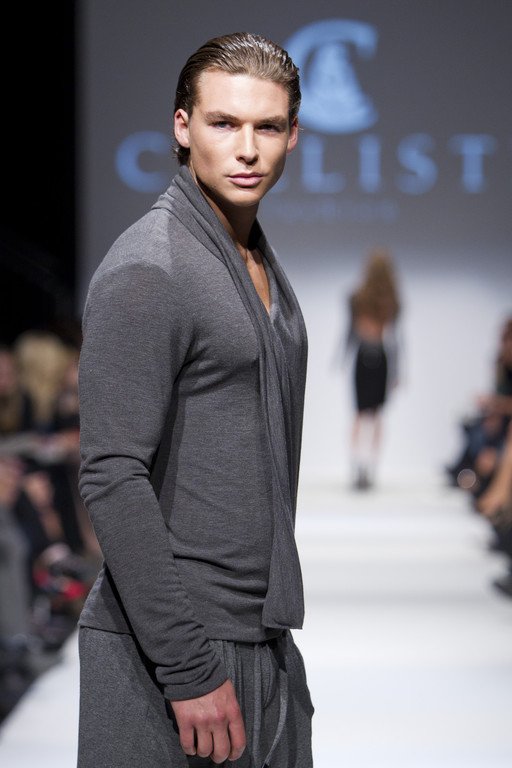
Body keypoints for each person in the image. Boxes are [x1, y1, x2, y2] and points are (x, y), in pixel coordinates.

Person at [77, 32, 313, 768]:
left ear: (292, 135)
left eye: (267, 126)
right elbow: (112, 474)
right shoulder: (152, 268)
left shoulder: (249, 256)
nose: (247, 149)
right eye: (223, 123)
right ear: (182, 127)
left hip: (256, 639)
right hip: (175, 657)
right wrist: (186, 667)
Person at [344, 248, 401, 490]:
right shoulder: (391, 300)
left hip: (363, 356)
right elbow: (395, 339)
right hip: (380, 357)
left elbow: (350, 332)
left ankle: (359, 467)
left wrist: (342, 357)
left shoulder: (358, 297)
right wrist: (396, 371)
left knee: (360, 414)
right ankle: (369, 468)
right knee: (375, 416)